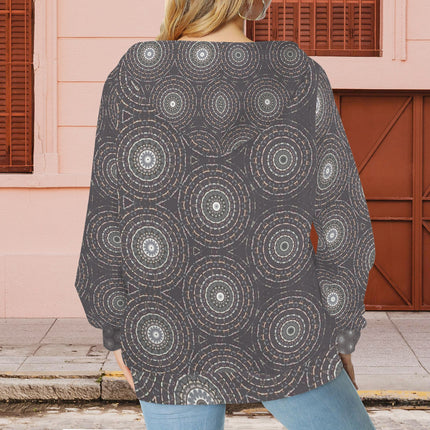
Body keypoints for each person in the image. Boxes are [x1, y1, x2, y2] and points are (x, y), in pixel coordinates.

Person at [74, 0, 377, 429]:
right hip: (287, 329)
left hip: (164, 334)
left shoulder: (133, 75)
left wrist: (115, 330)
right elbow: (342, 222)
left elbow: (106, 221)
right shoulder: (296, 73)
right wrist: (341, 330)